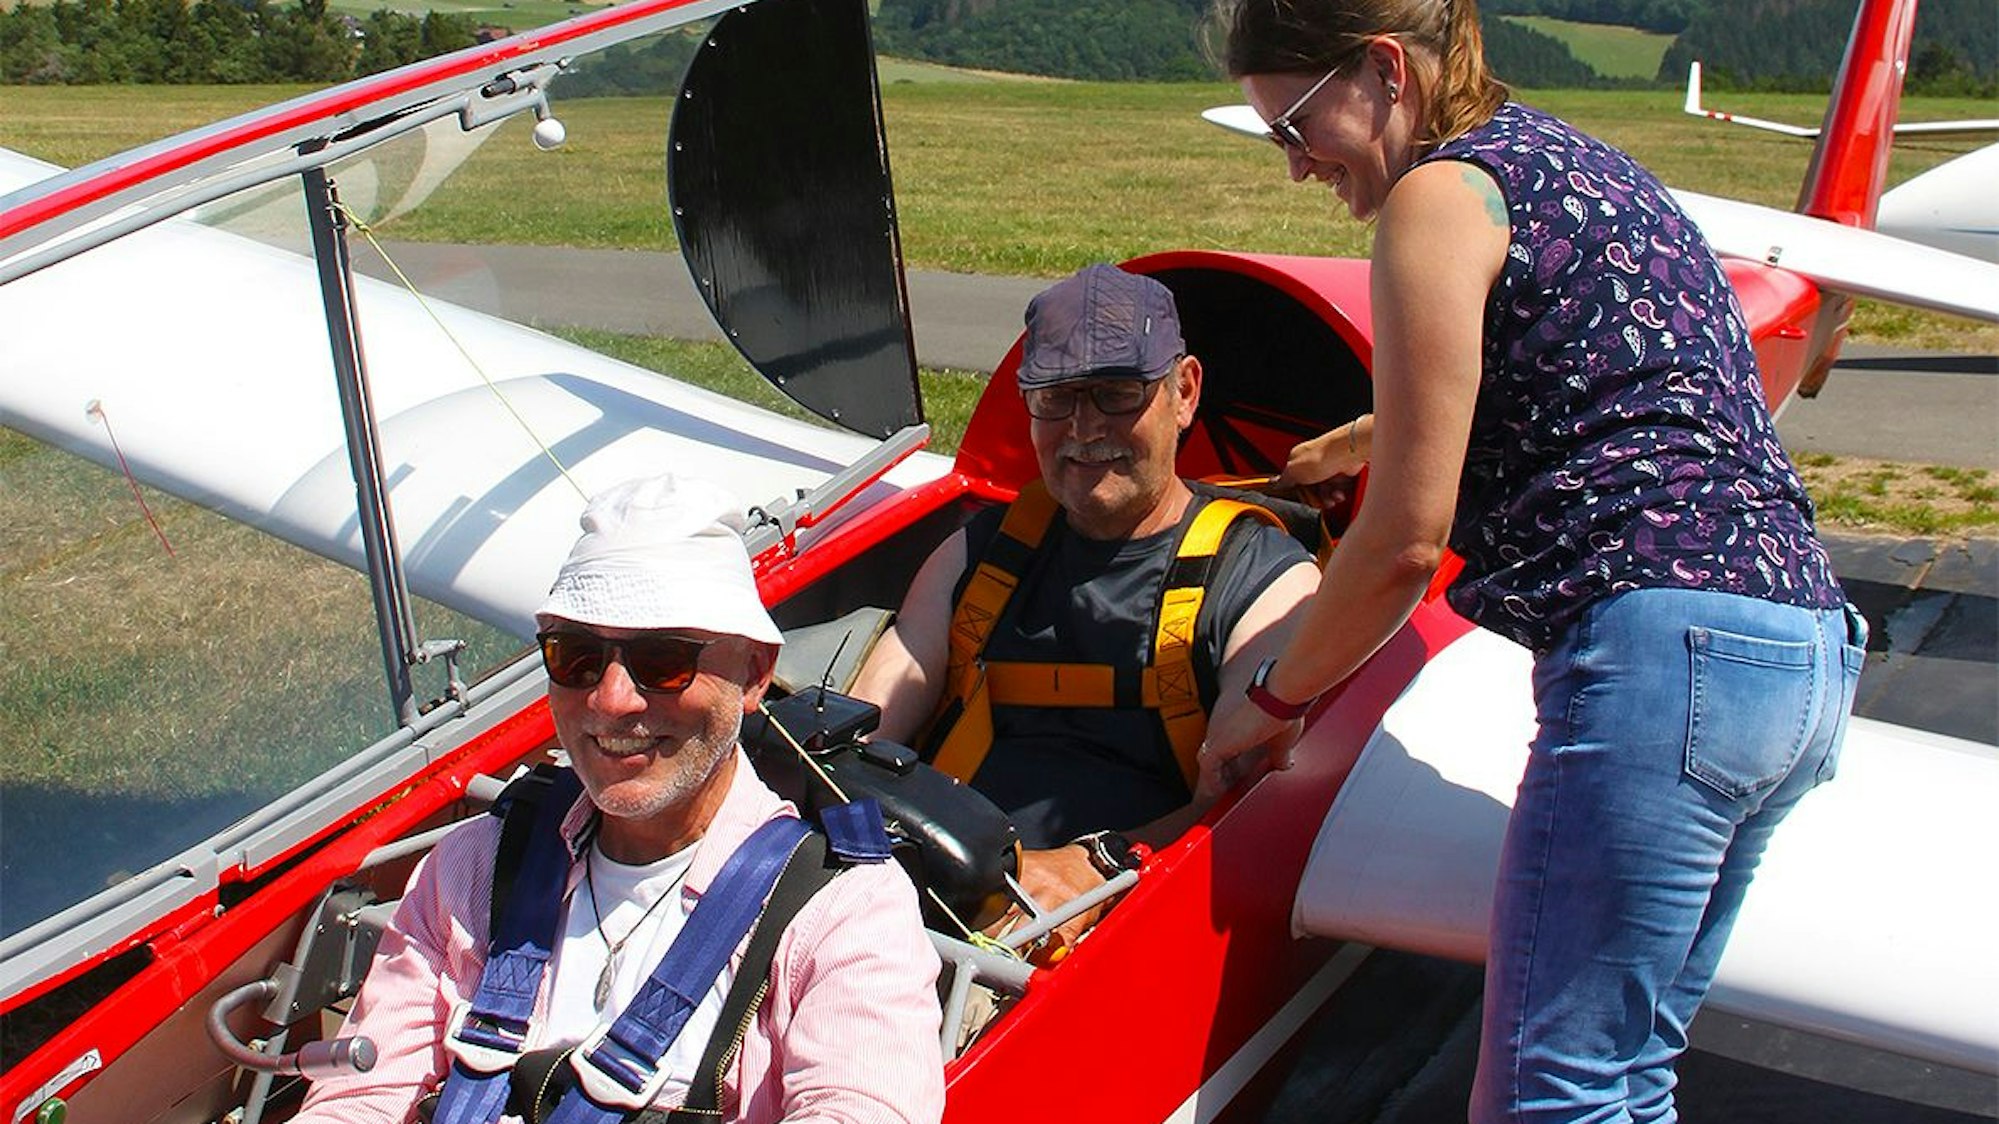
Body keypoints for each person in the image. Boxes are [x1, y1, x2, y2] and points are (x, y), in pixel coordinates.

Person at [1201, 2, 1866, 1120]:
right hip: (1801, 653)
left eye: (1298, 127)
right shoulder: (1581, 168)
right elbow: (1592, 386)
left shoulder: (1433, 196)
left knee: (1553, 1091)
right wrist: (1355, 438)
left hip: (1665, 660)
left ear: (1384, 69)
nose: (1294, 166)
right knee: (1622, 1070)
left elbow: (1403, 544)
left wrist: (1269, 696)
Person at [296, 474, 944, 1124]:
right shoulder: (471, 870)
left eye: (663, 661)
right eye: (576, 655)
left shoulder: (844, 913)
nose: (611, 700)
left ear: (752, 674)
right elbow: (358, 1100)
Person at [852, 263, 1319, 949]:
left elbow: (1244, 807)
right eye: (1055, 398)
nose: (1083, 427)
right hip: (913, 893)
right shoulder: (979, 556)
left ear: (1184, 392)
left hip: (1105, 929)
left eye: (1116, 394)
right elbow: (861, 734)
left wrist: (1096, 863)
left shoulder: (1264, 584)